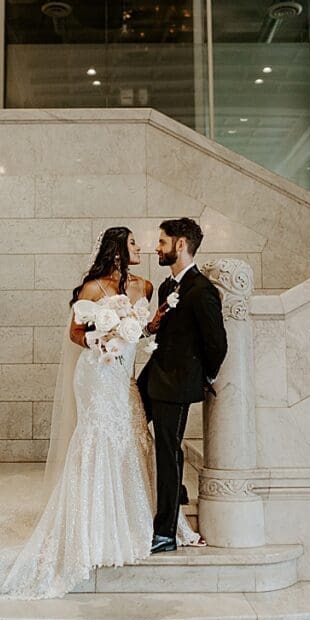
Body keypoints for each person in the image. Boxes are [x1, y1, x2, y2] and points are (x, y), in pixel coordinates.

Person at [0, 227, 203, 600]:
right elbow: (76, 332)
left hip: (123, 377)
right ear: (116, 250)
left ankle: (133, 520)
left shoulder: (145, 287)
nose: (140, 247)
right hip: (97, 375)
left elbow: (143, 330)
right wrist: (99, 341)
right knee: (98, 436)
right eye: (132, 243)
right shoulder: (93, 288)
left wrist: (144, 329)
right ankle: (90, 527)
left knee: (132, 437)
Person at [138, 218, 228, 553]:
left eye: (162, 242)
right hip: (153, 375)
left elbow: (216, 343)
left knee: (168, 452)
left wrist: (203, 378)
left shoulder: (203, 290)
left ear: (179, 245)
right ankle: (167, 497)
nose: (156, 248)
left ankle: (165, 532)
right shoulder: (166, 288)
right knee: (126, 430)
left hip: (176, 386)